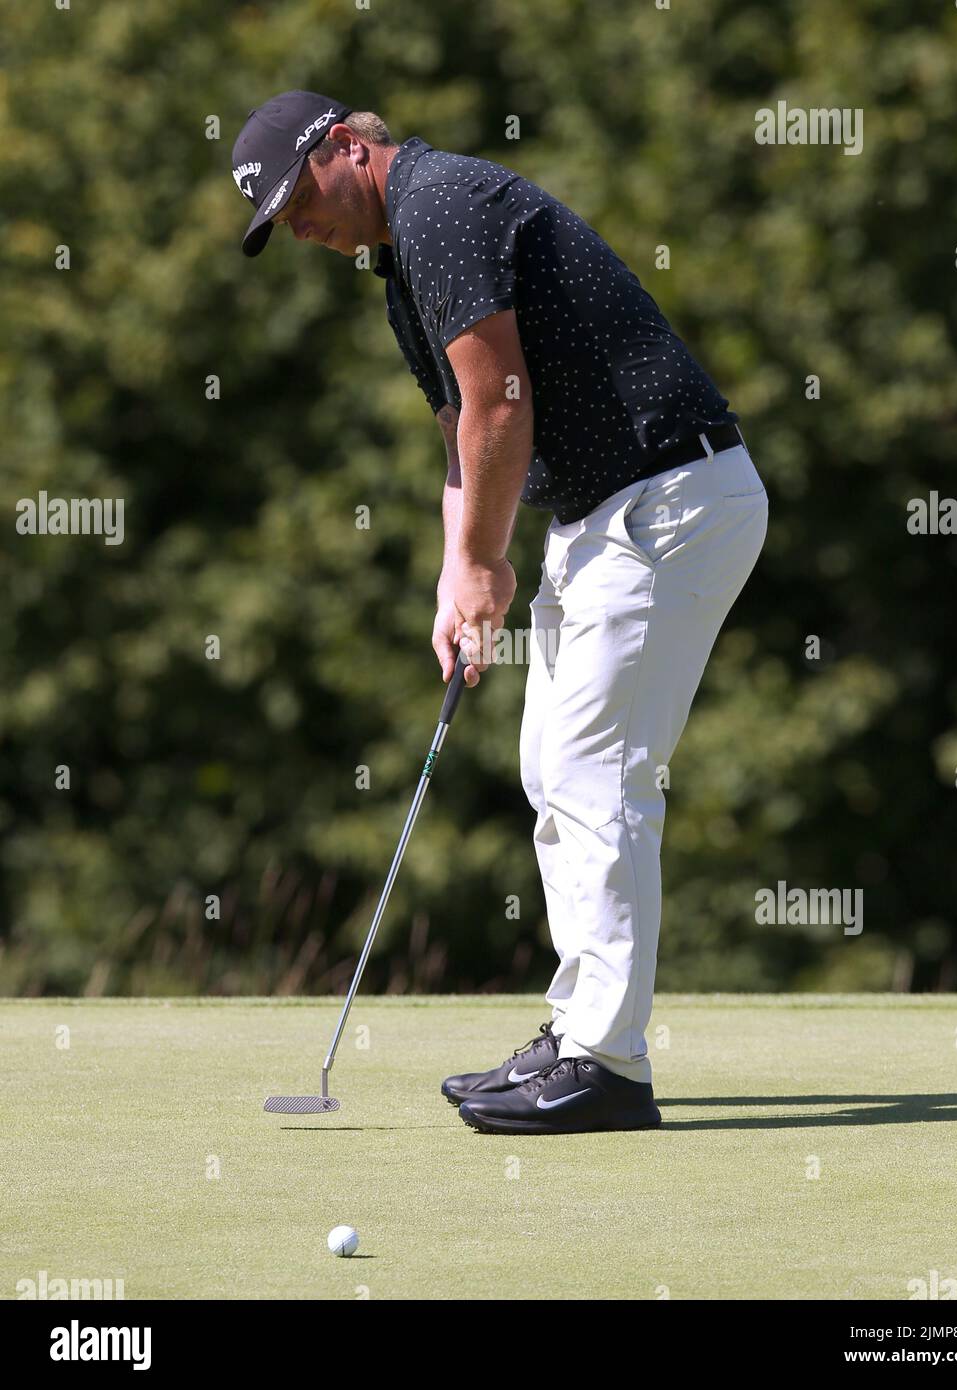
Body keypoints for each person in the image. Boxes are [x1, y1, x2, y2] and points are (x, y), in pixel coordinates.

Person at [233, 90, 768, 1135]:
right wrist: (458, 576)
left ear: (347, 147)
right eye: (280, 220)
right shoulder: (400, 268)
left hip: (669, 500)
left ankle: (608, 1065)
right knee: (552, 767)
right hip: (609, 510)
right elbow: (457, 432)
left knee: (592, 771)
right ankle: (580, 1037)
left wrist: (487, 558)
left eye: (300, 196)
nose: (297, 225)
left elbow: (501, 401)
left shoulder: (439, 203)